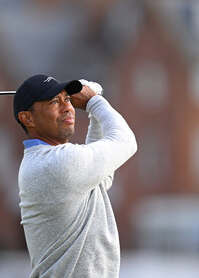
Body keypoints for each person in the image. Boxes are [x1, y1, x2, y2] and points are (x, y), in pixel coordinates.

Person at [13, 74, 137, 278]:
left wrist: (94, 114)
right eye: (54, 102)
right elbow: (126, 142)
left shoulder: (50, 161)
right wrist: (95, 102)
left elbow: (101, 178)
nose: (67, 107)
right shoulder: (56, 164)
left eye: (67, 99)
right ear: (28, 118)